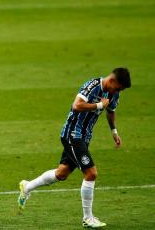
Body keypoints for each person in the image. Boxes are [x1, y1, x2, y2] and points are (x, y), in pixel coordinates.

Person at [18, 68, 131, 228]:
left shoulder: (114, 93)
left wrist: (114, 131)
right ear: (112, 80)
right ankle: (87, 218)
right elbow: (77, 105)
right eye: (118, 88)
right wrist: (98, 105)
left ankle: (27, 186)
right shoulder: (92, 86)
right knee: (91, 173)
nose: (117, 92)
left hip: (84, 138)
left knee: (61, 173)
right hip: (72, 134)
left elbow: (111, 111)